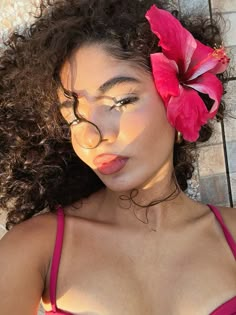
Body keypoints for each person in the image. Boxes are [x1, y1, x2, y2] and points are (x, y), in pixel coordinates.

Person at [0, 0, 235, 314]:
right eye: (73, 116)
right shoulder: (31, 251)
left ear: (181, 101)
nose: (91, 135)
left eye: (121, 101)